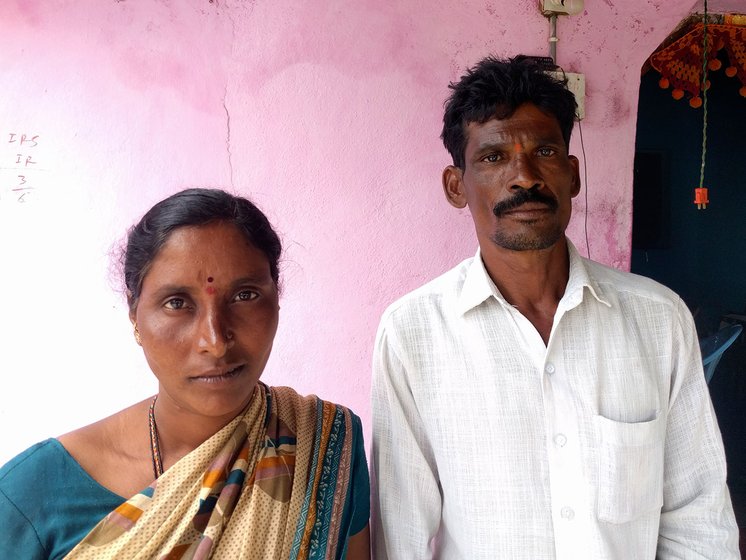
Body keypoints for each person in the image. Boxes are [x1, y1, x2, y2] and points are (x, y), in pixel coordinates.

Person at [371, 55, 739, 559]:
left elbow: (697, 517)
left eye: (543, 151)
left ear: (572, 175)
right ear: (457, 186)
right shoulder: (412, 332)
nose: (524, 177)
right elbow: (401, 532)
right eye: (494, 157)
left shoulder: (658, 320)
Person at [0, 188, 370, 559]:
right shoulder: (33, 494)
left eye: (245, 295)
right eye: (177, 303)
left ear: (277, 298)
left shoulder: (324, 444)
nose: (215, 341)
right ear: (135, 317)